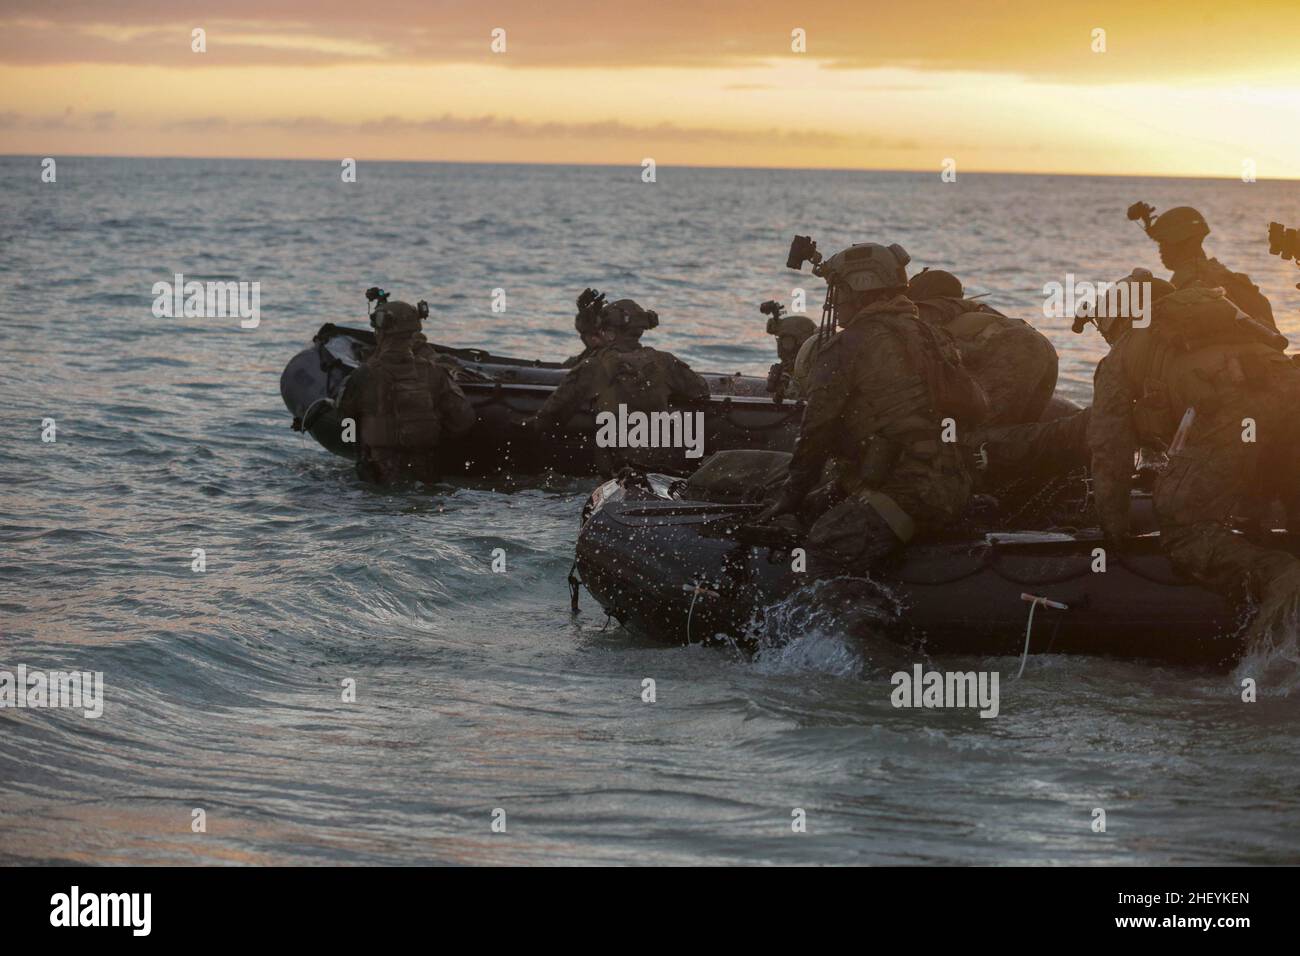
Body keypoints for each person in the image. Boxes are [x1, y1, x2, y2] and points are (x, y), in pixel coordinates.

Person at [1087, 270, 1300, 646]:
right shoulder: (1223, 324)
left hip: (1235, 416)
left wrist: (1115, 529)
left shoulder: (1125, 353)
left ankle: (1279, 577)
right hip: (1288, 396)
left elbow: (1108, 448)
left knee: (1184, 531)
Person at [757, 242, 985, 572]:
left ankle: (851, 619)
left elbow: (815, 433)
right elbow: (975, 407)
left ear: (862, 286)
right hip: (954, 483)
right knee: (816, 508)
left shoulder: (846, 346)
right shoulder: (929, 335)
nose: (833, 300)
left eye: (839, 290)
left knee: (820, 552)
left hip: (909, 490)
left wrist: (790, 494)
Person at [530, 297, 710, 473]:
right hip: (663, 470)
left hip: (617, 473)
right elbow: (701, 390)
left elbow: (550, 418)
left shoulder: (594, 366)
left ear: (608, 333)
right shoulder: (665, 362)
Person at [335, 299, 476, 484]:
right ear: (413, 334)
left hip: (379, 477)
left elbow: (344, 418)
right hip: (426, 474)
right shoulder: (434, 373)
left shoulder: (364, 375)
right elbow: (463, 421)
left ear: (380, 333)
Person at [908, 268, 1059, 426]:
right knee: (1017, 430)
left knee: (976, 434)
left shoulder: (931, 307)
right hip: (1042, 349)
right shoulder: (972, 308)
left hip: (1017, 349)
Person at [1139, 205, 1277, 330]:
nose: (1160, 250)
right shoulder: (1230, 277)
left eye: (1163, 243)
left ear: (1182, 242)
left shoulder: (1183, 282)